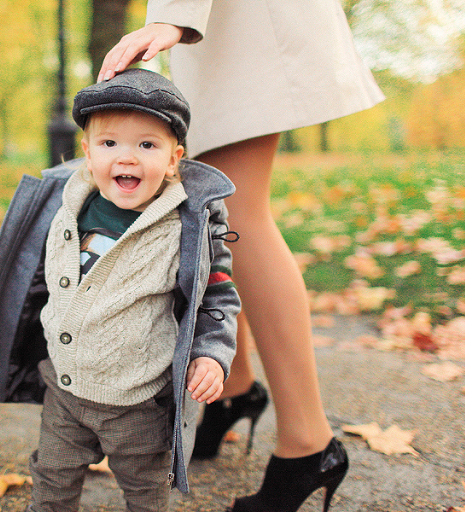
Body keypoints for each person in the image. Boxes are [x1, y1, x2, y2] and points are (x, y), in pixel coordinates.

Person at [98, 1, 385, 511]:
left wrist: (175, 15)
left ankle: (307, 445)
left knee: (237, 214)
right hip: (226, 28)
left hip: (244, 26)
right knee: (215, 208)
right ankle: (235, 388)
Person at [0, 68, 244, 511]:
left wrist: (211, 353)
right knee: (51, 477)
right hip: (65, 389)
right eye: (110, 144)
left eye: (147, 145)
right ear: (88, 154)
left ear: (173, 160)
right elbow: (28, 280)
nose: (126, 158)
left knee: (145, 490)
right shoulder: (63, 203)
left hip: (138, 401)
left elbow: (217, 298)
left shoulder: (188, 225)